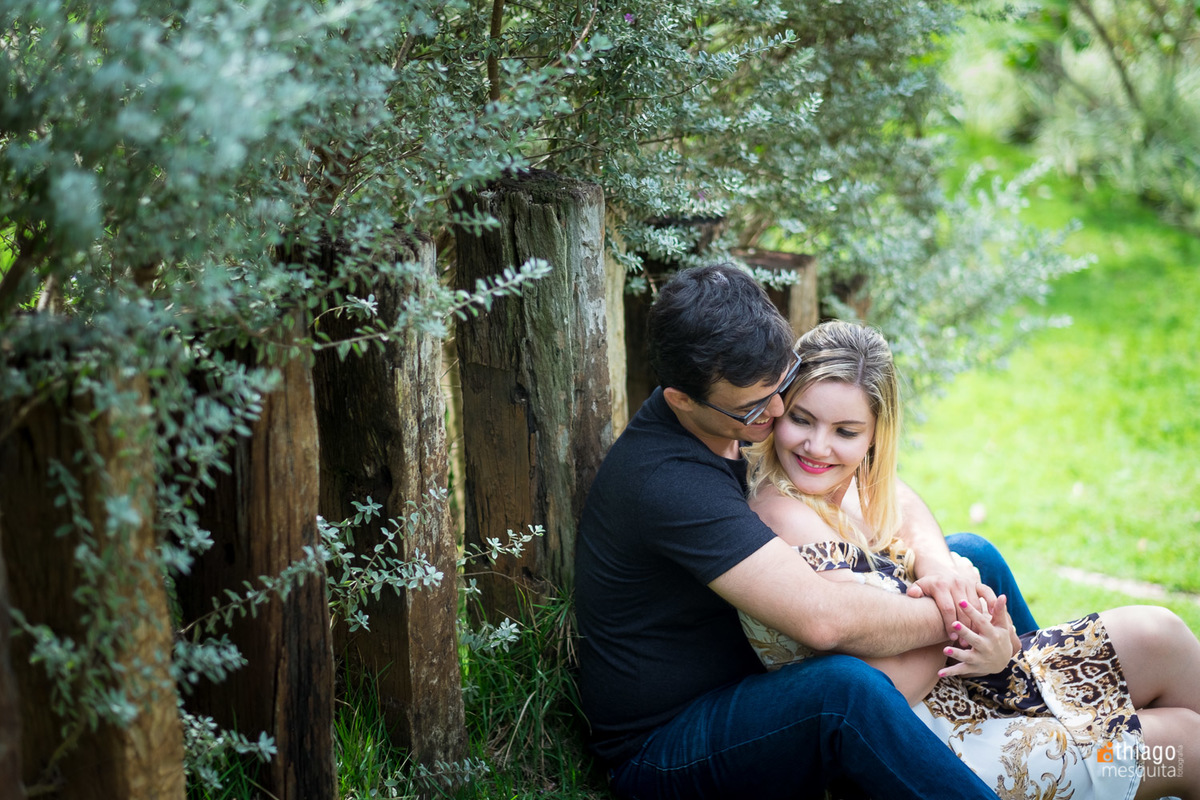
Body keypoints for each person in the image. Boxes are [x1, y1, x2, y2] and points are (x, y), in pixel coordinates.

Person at [574, 262, 1036, 800]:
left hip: (756, 686)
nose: (775, 411)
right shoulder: (670, 482)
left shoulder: (734, 417)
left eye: (781, 385)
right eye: (754, 404)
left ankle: (1054, 710)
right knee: (844, 690)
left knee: (972, 553)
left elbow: (882, 488)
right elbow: (825, 620)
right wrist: (965, 616)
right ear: (680, 398)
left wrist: (938, 563)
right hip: (669, 746)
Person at [739, 318, 1200, 800]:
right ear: (779, 409)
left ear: (875, 437)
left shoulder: (845, 486)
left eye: (845, 431)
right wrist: (966, 628)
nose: (817, 446)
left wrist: (944, 573)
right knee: (1185, 743)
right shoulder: (783, 515)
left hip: (976, 694)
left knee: (1161, 636)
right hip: (935, 741)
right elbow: (875, 694)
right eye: (802, 420)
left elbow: (902, 502)